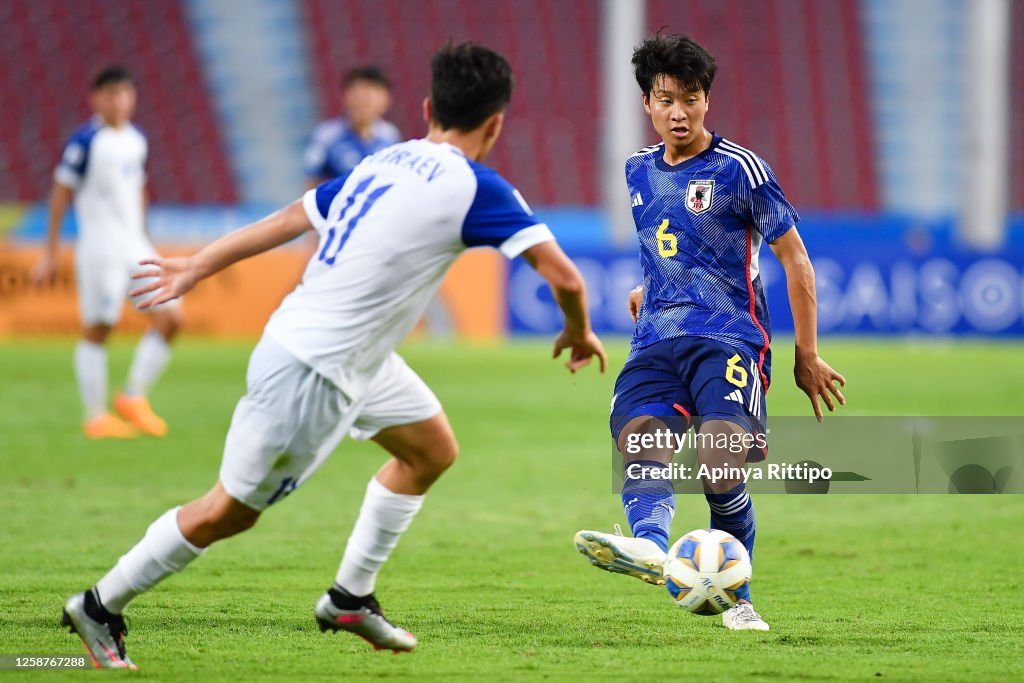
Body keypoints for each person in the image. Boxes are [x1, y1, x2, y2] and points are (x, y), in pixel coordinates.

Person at [61, 42, 607, 669]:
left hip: (349, 353)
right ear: (496, 124)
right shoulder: (479, 187)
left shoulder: (384, 161)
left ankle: (350, 598)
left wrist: (199, 264)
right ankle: (100, 606)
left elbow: (294, 217)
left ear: (428, 107)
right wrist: (578, 330)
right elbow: (565, 278)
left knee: (430, 450)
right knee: (226, 513)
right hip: (313, 370)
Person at [574, 34, 846, 631]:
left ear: (706, 100)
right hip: (655, 339)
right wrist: (653, 286)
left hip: (728, 337)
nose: (679, 112)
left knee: (721, 463)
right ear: (647, 103)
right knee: (640, 438)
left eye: (691, 98)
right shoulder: (637, 170)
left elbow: (795, 260)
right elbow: (666, 246)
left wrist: (807, 354)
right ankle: (648, 545)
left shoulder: (740, 170)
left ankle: (738, 598)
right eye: (665, 99)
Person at [31, 66, 182, 439]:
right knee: (100, 328)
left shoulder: (136, 139)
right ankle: (96, 416)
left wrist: (145, 236)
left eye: (125, 93)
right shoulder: (86, 141)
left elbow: (138, 190)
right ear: (96, 98)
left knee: (173, 318)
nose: (119, 101)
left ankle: (132, 396)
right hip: (100, 249)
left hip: (135, 245)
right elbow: (60, 194)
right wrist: (50, 252)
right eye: (111, 94)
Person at [303, 65, 400, 189]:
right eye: (358, 93)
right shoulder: (327, 135)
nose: (363, 99)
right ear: (345, 96)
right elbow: (311, 179)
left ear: (386, 101)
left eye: (371, 94)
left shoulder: (389, 135)